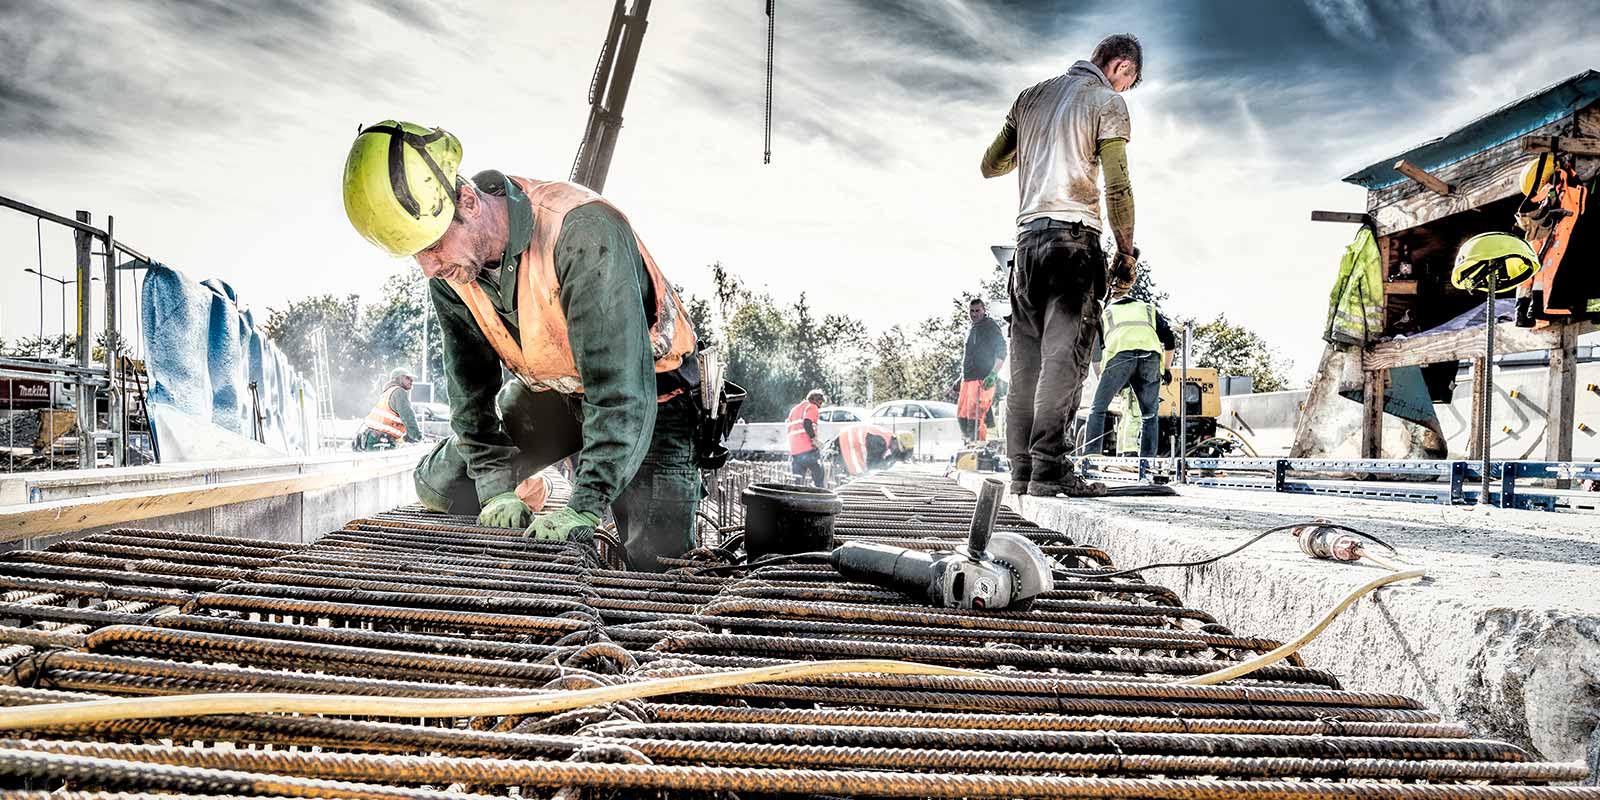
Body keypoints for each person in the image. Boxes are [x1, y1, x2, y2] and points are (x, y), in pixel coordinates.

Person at [341, 120, 702, 571]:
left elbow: (620, 391)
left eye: (432, 246)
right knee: (443, 486)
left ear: (468, 201)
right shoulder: (453, 274)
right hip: (560, 391)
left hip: (652, 395)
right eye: (416, 255)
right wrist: (496, 490)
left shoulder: (582, 233)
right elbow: (469, 393)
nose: (429, 268)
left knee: (654, 562)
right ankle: (537, 490)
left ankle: (627, 534)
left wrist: (586, 505)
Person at [980, 34, 1142, 497]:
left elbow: (991, 165)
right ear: (1120, 67)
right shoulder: (1105, 100)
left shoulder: (1029, 98)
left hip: (1026, 247)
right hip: (1074, 246)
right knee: (1063, 362)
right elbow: (1117, 185)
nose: (1125, 89)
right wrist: (1126, 251)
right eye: (1128, 81)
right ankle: (1050, 468)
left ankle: (1022, 471)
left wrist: (1035, 145)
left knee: (1026, 363)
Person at [1083, 286, 1175, 458]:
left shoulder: (1105, 312)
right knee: (1149, 414)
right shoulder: (1148, 308)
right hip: (1151, 358)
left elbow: (1095, 351)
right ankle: (1147, 461)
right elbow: (1169, 339)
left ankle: (1091, 455)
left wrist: (1101, 377)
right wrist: (1167, 369)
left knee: (1098, 409)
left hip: (1119, 357)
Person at [957, 298, 1006, 442]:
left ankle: (979, 451)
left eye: (977, 310)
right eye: (971, 311)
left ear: (984, 311)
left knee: (976, 418)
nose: (974, 314)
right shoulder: (971, 329)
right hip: (968, 379)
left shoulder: (990, 326)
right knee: (962, 417)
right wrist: (961, 378)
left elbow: (1002, 350)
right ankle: (968, 449)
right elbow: (969, 355)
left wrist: (993, 373)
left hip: (982, 379)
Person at [354, 367, 422, 450]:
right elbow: (408, 416)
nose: (411, 381)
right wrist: (416, 436)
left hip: (372, 438)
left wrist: (406, 436)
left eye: (412, 379)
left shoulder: (388, 392)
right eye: (407, 378)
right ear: (398, 379)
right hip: (381, 441)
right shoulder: (399, 392)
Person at [832, 424, 915, 477]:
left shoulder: (886, 437)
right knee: (855, 473)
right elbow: (872, 465)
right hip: (843, 441)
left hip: (844, 438)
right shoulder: (880, 442)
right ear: (897, 444)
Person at [786, 389, 827, 488]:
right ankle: (820, 499)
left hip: (795, 453)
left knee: (798, 484)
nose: (819, 407)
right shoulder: (812, 407)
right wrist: (814, 439)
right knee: (819, 478)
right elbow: (807, 423)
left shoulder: (794, 410)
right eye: (820, 403)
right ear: (815, 400)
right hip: (808, 450)